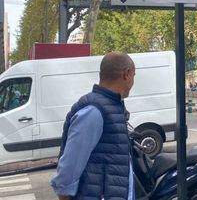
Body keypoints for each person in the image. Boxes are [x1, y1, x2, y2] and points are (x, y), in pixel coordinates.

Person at [50, 52, 137, 200]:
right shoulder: (94, 111)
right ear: (127, 74)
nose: (133, 81)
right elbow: (68, 169)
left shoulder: (111, 106)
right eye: (134, 75)